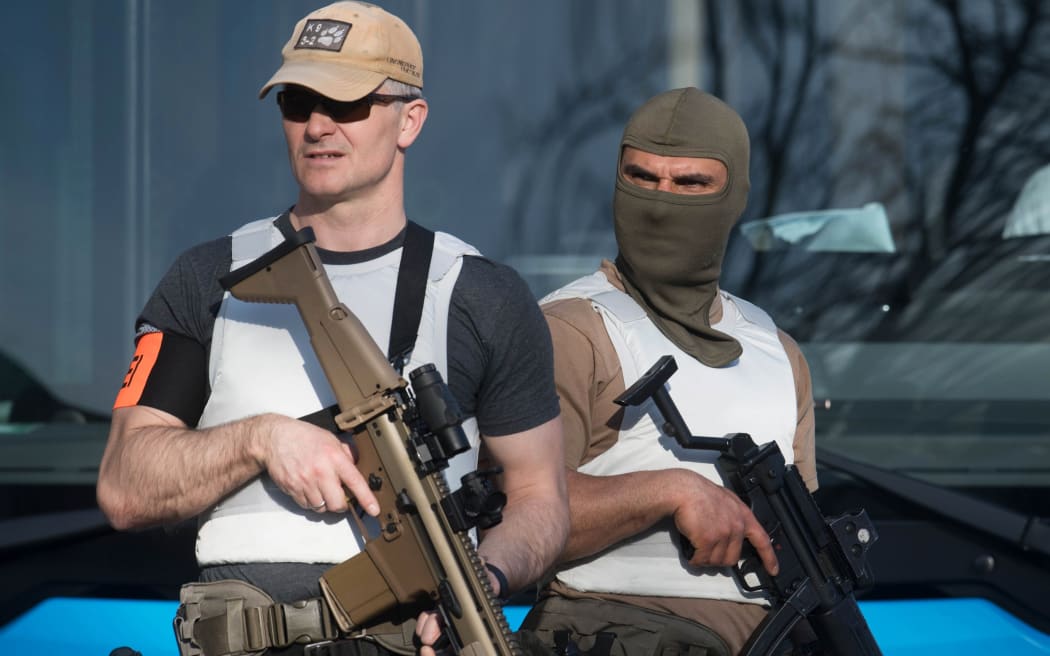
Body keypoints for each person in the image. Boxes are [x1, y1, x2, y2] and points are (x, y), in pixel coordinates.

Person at [95, 2, 568, 655]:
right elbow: (124, 486)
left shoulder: (482, 294)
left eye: (346, 105)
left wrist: (483, 579)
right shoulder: (211, 277)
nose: (318, 125)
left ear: (410, 121)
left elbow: (540, 497)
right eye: (297, 102)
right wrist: (260, 440)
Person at [518, 88, 817, 656]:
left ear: (736, 195)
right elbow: (515, 517)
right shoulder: (571, 332)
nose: (660, 203)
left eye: (691, 183)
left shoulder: (778, 353)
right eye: (642, 177)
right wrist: (668, 489)